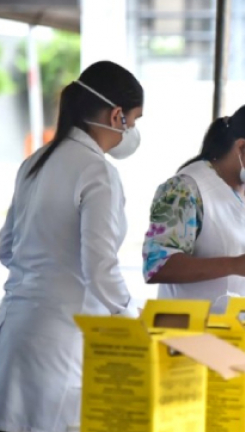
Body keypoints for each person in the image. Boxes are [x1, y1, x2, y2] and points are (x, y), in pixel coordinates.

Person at [0, 61, 143, 432]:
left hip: (15, 329)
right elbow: (100, 267)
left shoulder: (34, 162)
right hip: (63, 339)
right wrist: (133, 321)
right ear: (117, 116)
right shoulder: (97, 171)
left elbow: (6, 247)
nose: (135, 130)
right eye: (135, 118)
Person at [143, 101, 245, 311]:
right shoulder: (185, 190)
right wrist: (235, 264)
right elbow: (157, 266)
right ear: (241, 146)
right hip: (192, 333)